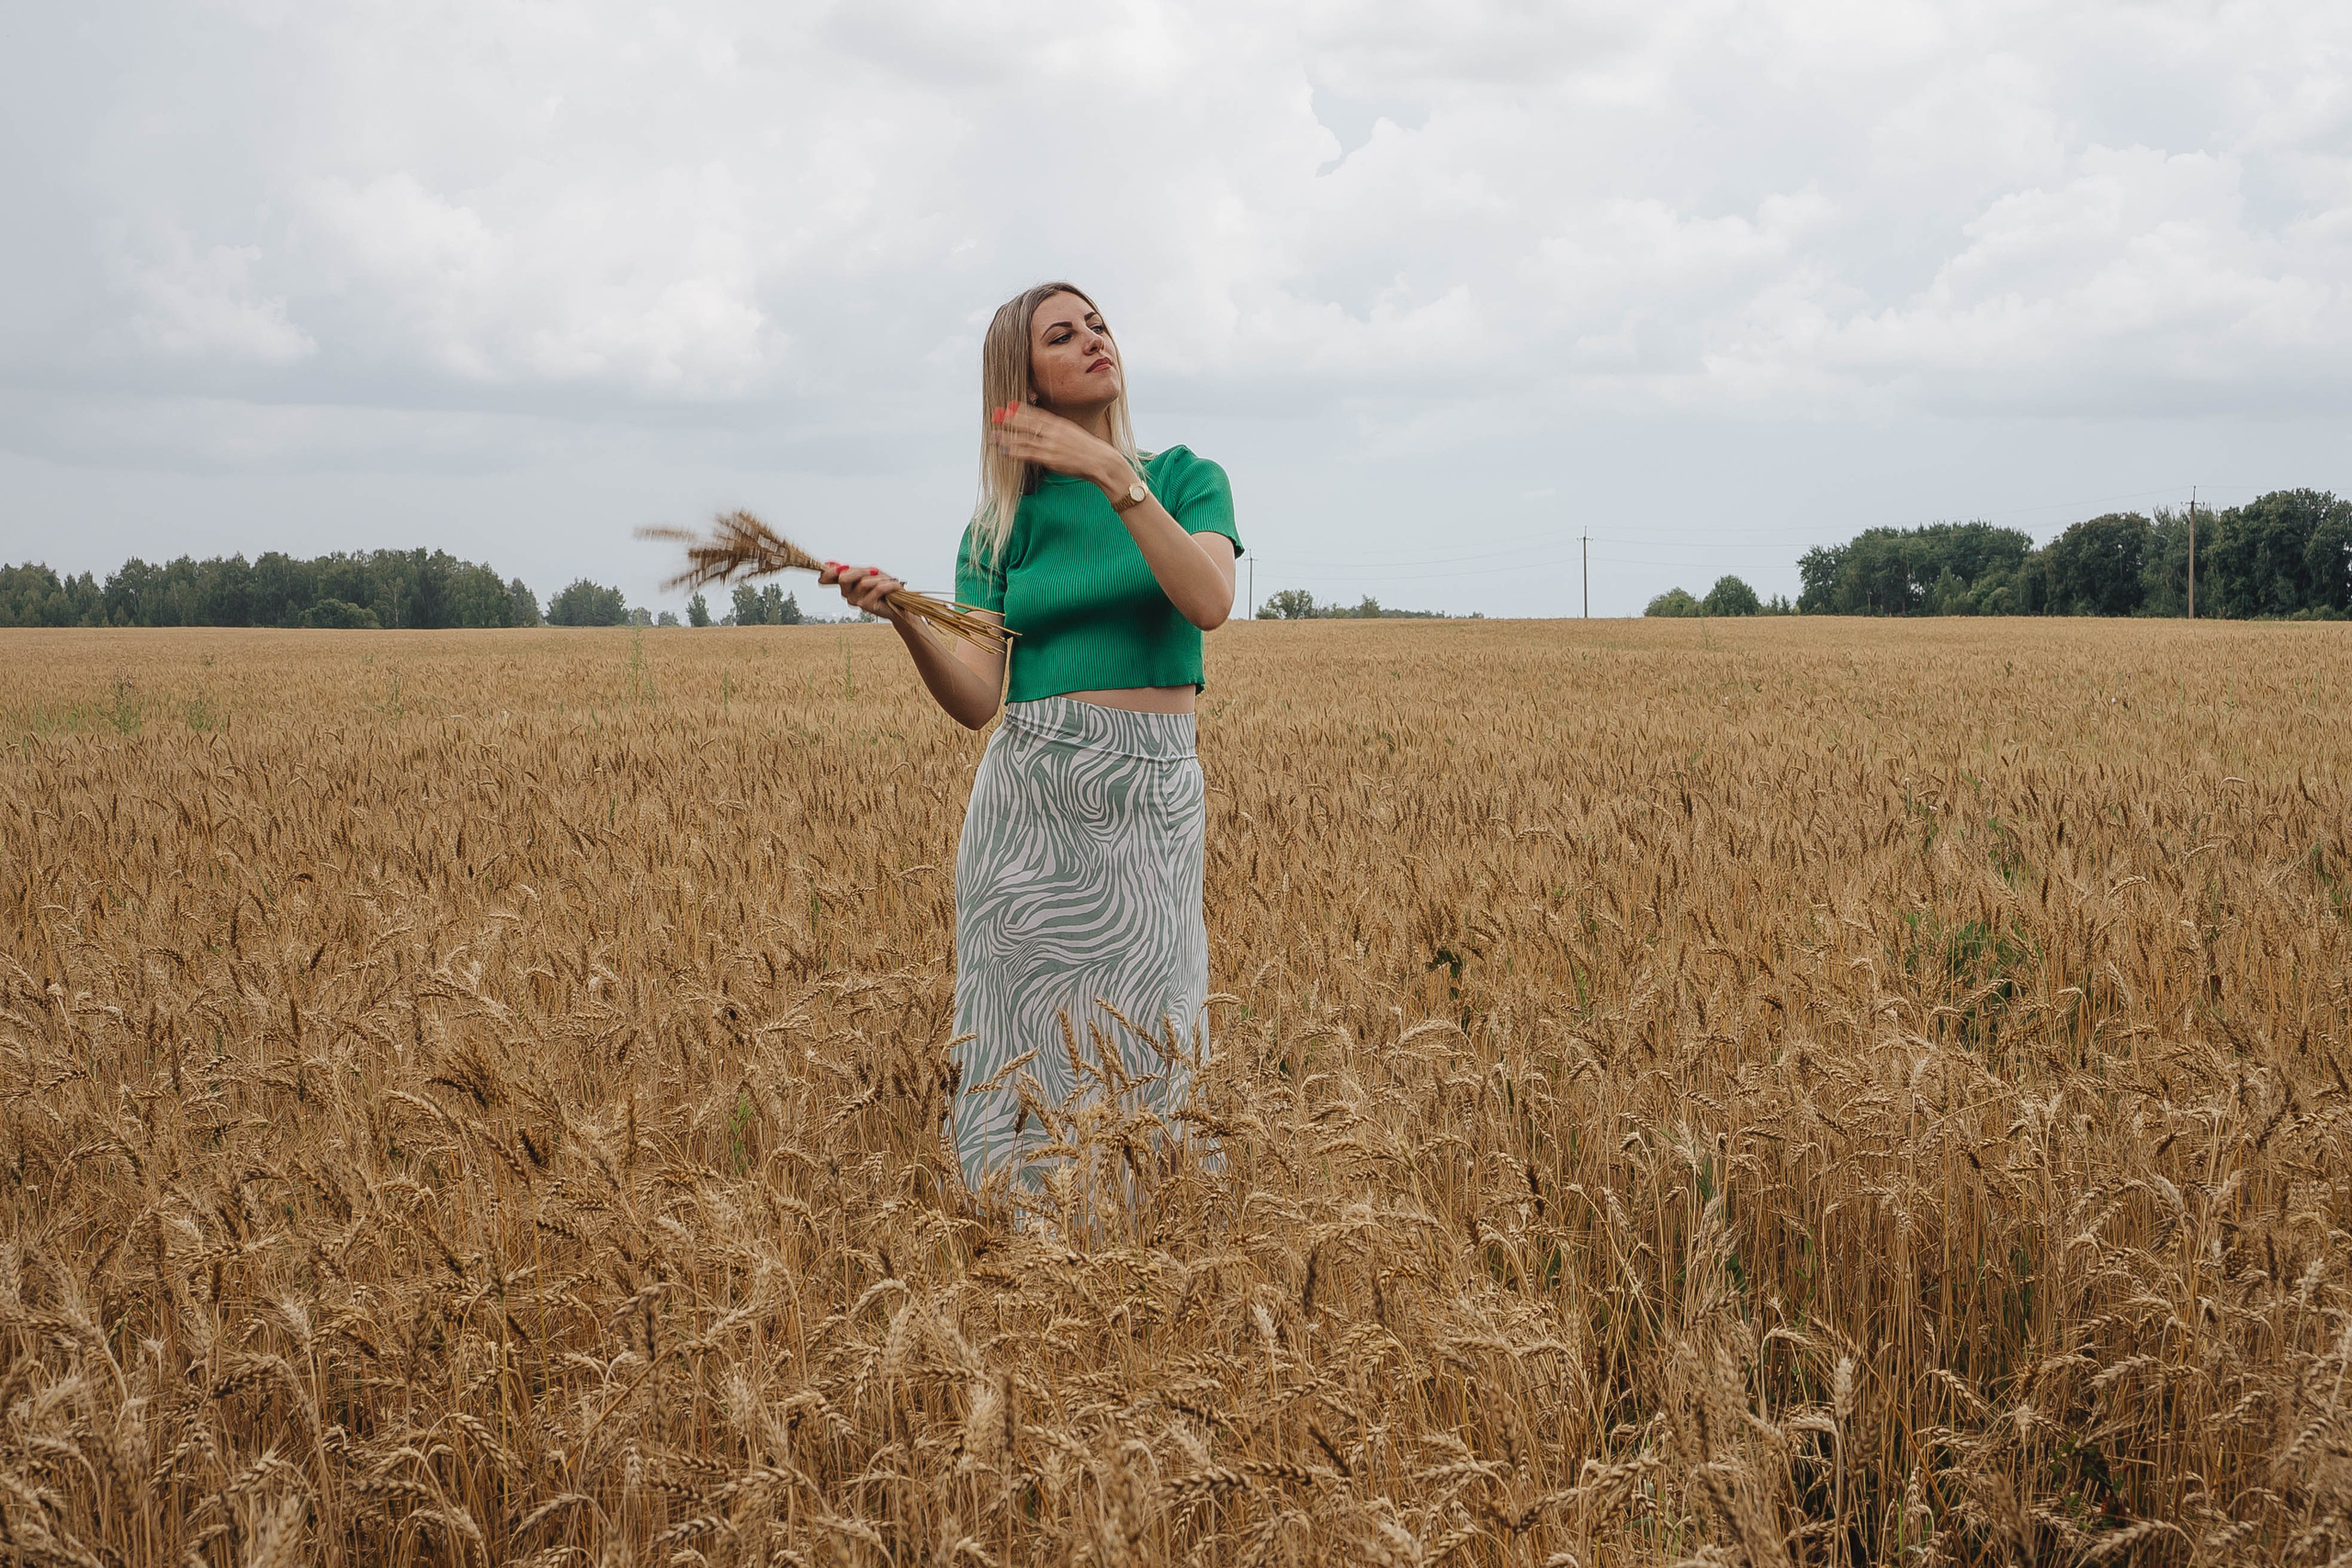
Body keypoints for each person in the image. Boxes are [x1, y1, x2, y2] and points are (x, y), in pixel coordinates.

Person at [819, 282, 1241, 1194]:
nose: (1094, 338)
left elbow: (1206, 601)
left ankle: (1152, 1267)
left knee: (1154, 1042)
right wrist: (901, 617)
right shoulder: (995, 527)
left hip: (1151, 802)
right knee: (1019, 1051)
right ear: (1024, 383)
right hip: (1029, 809)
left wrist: (1111, 475)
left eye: (1098, 323)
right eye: (1063, 333)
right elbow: (977, 698)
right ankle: (1022, 1276)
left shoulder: (1181, 478)